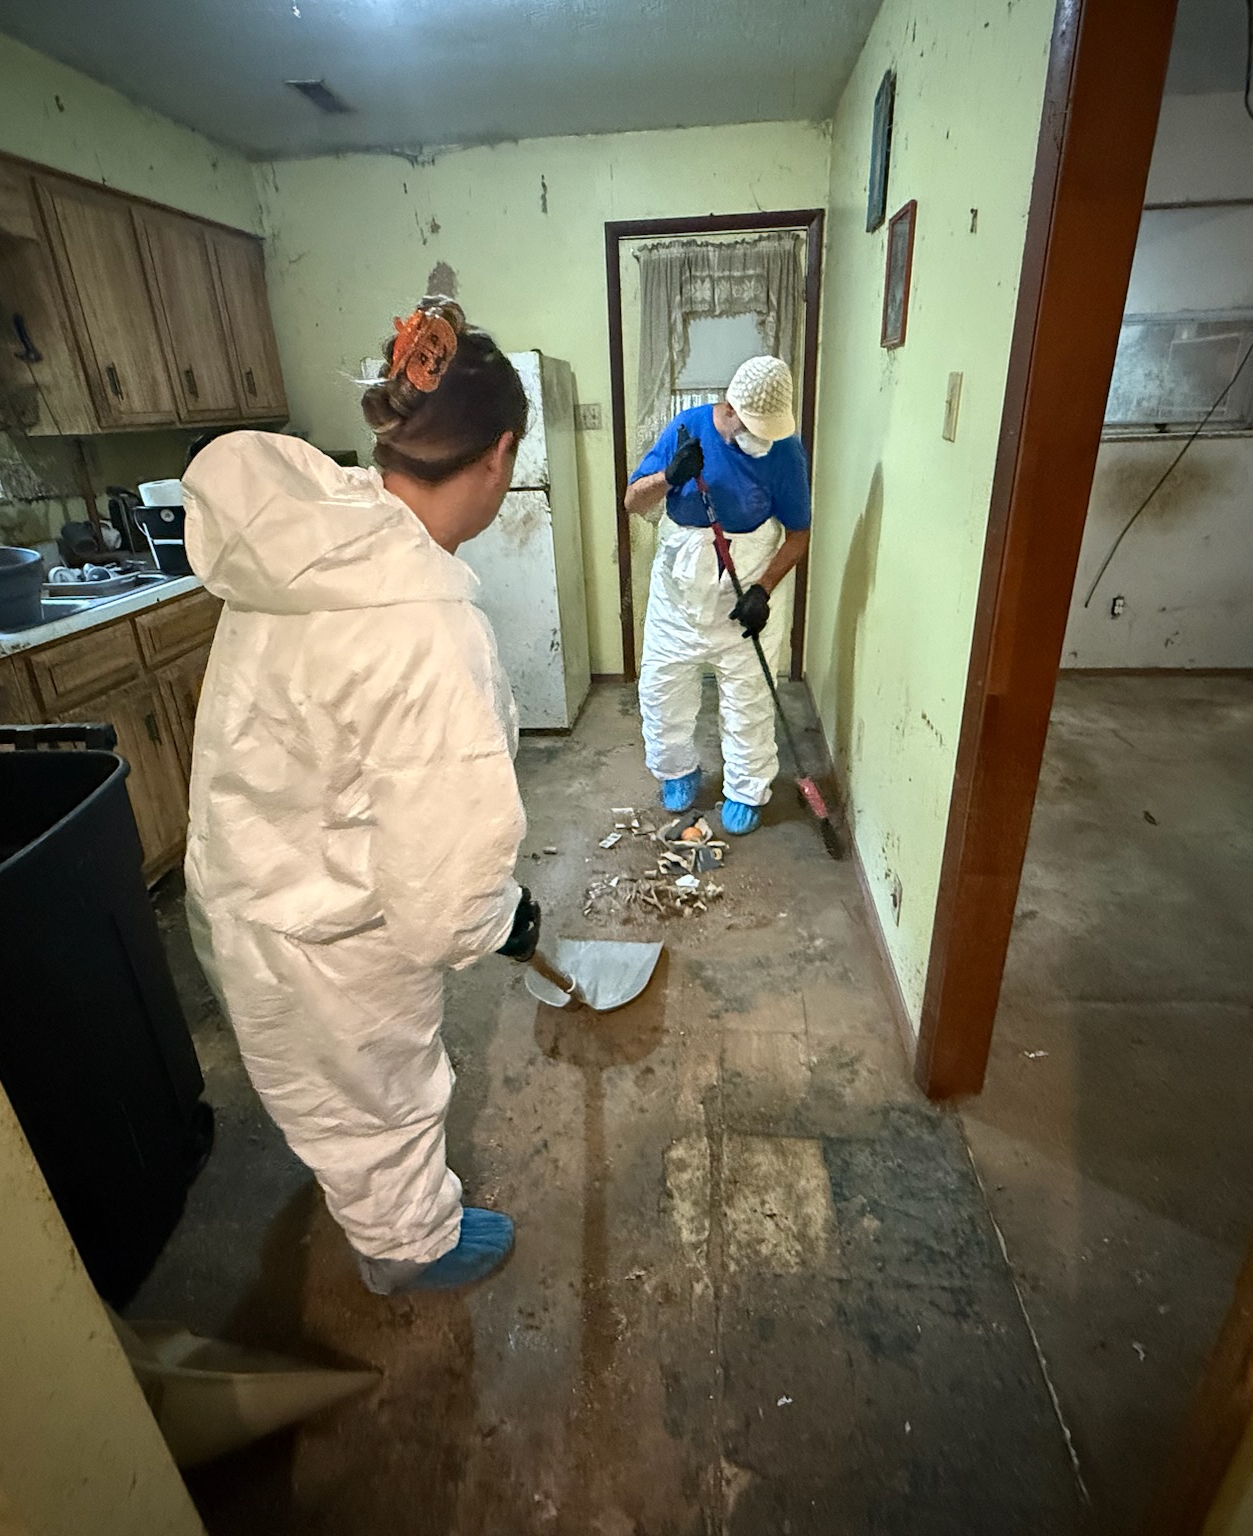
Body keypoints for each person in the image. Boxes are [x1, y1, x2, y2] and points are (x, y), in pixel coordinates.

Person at [181, 298, 543, 1296]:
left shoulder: (311, 541)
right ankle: (406, 1250)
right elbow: (442, 895)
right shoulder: (425, 626)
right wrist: (497, 917)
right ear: (499, 456)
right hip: (329, 924)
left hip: (245, 879)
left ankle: (367, 1207)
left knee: (319, 1086)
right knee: (376, 1093)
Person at [624, 355, 811, 833]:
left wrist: (763, 590)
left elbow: (798, 534)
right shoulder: (686, 430)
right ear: (729, 408)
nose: (761, 442)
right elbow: (632, 502)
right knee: (663, 687)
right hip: (679, 592)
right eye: (753, 430)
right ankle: (677, 771)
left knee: (749, 697)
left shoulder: (785, 451)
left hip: (747, 584)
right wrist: (670, 476)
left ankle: (746, 788)